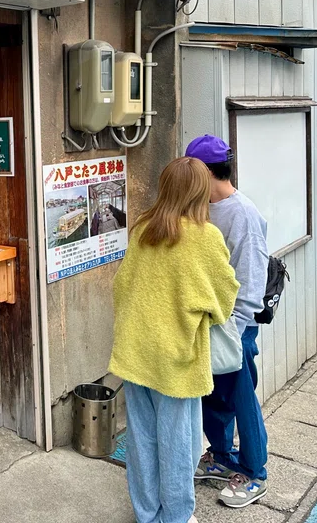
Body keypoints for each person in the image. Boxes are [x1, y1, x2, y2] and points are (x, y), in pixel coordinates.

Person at [109, 157, 240, 523]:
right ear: (200, 192)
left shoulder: (142, 228)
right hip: (177, 358)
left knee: (142, 441)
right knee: (179, 445)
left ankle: (147, 514)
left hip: (135, 351)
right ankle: (177, 517)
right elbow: (225, 298)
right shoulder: (204, 236)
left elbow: (122, 286)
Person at [186, 134, 270, 508]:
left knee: (240, 397)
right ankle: (220, 458)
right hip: (208, 322)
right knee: (212, 395)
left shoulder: (244, 214)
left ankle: (255, 473)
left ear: (205, 172)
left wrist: (232, 333)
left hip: (235, 325)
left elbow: (251, 284)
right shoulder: (200, 205)